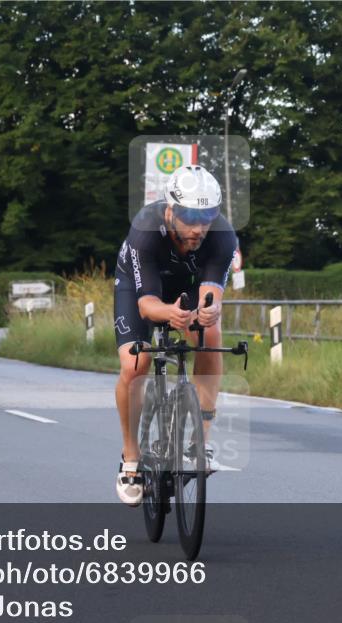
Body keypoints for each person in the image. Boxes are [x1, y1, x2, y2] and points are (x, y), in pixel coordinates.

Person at [113, 165, 237, 506]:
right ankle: (131, 457)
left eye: (206, 218)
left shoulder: (223, 235)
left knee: (210, 335)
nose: (198, 228)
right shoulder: (145, 229)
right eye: (189, 218)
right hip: (140, 287)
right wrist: (171, 314)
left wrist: (208, 310)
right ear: (170, 211)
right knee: (134, 364)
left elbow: (212, 292)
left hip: (187, 285)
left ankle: (201, 442)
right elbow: (148, 305)